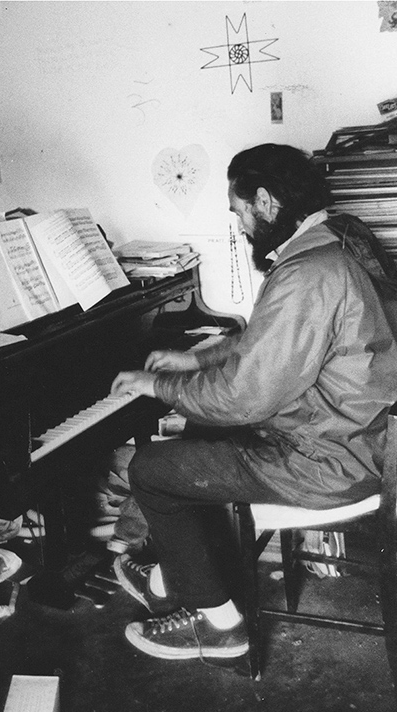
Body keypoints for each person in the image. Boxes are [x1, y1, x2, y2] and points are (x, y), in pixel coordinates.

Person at [109, 143, 397, 662]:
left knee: (151, 469)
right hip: (354, 437)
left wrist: (157, 387)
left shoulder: (308, 274)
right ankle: (169, 578)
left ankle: (218, 626)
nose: (240, 224)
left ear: (264, 201)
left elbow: (243, 398)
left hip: (327, 460)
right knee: (199, 436)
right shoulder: (337, 242)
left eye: (238, 211)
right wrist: (195, 362)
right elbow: (268, 342)